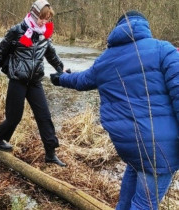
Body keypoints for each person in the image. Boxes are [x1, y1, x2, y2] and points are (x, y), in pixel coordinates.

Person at [50, 10, 179, 209]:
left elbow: (82, 80)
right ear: (145, 27)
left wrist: (61, 78)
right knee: (145, 205)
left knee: (128, 199)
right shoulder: (163, 49)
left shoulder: (105, 60)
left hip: (130, 145)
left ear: (117, 30)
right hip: (160, 149)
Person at [0, 0, 66, 167]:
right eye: (42, 18)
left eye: (47, 19)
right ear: (34, 14)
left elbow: (51, 55)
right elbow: (1, 52)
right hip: (18, 80)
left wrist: (61, 69)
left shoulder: (44, 34)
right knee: (14, 117)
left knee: (44, 117)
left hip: (35, 81)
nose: (44, 22)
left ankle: (51, 154)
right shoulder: (17, 31)